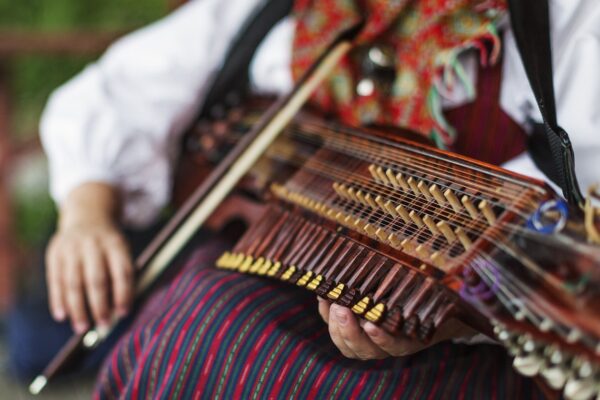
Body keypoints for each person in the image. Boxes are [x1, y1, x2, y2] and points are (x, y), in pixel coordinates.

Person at [9, 0, 600, 397]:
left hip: (479, 340)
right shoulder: (281, 10)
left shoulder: (567, 26)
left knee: (216, 334)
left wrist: (449, 315)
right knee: (196, 317)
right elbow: (119, 90)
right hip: (263, 273)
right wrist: (86, 214)